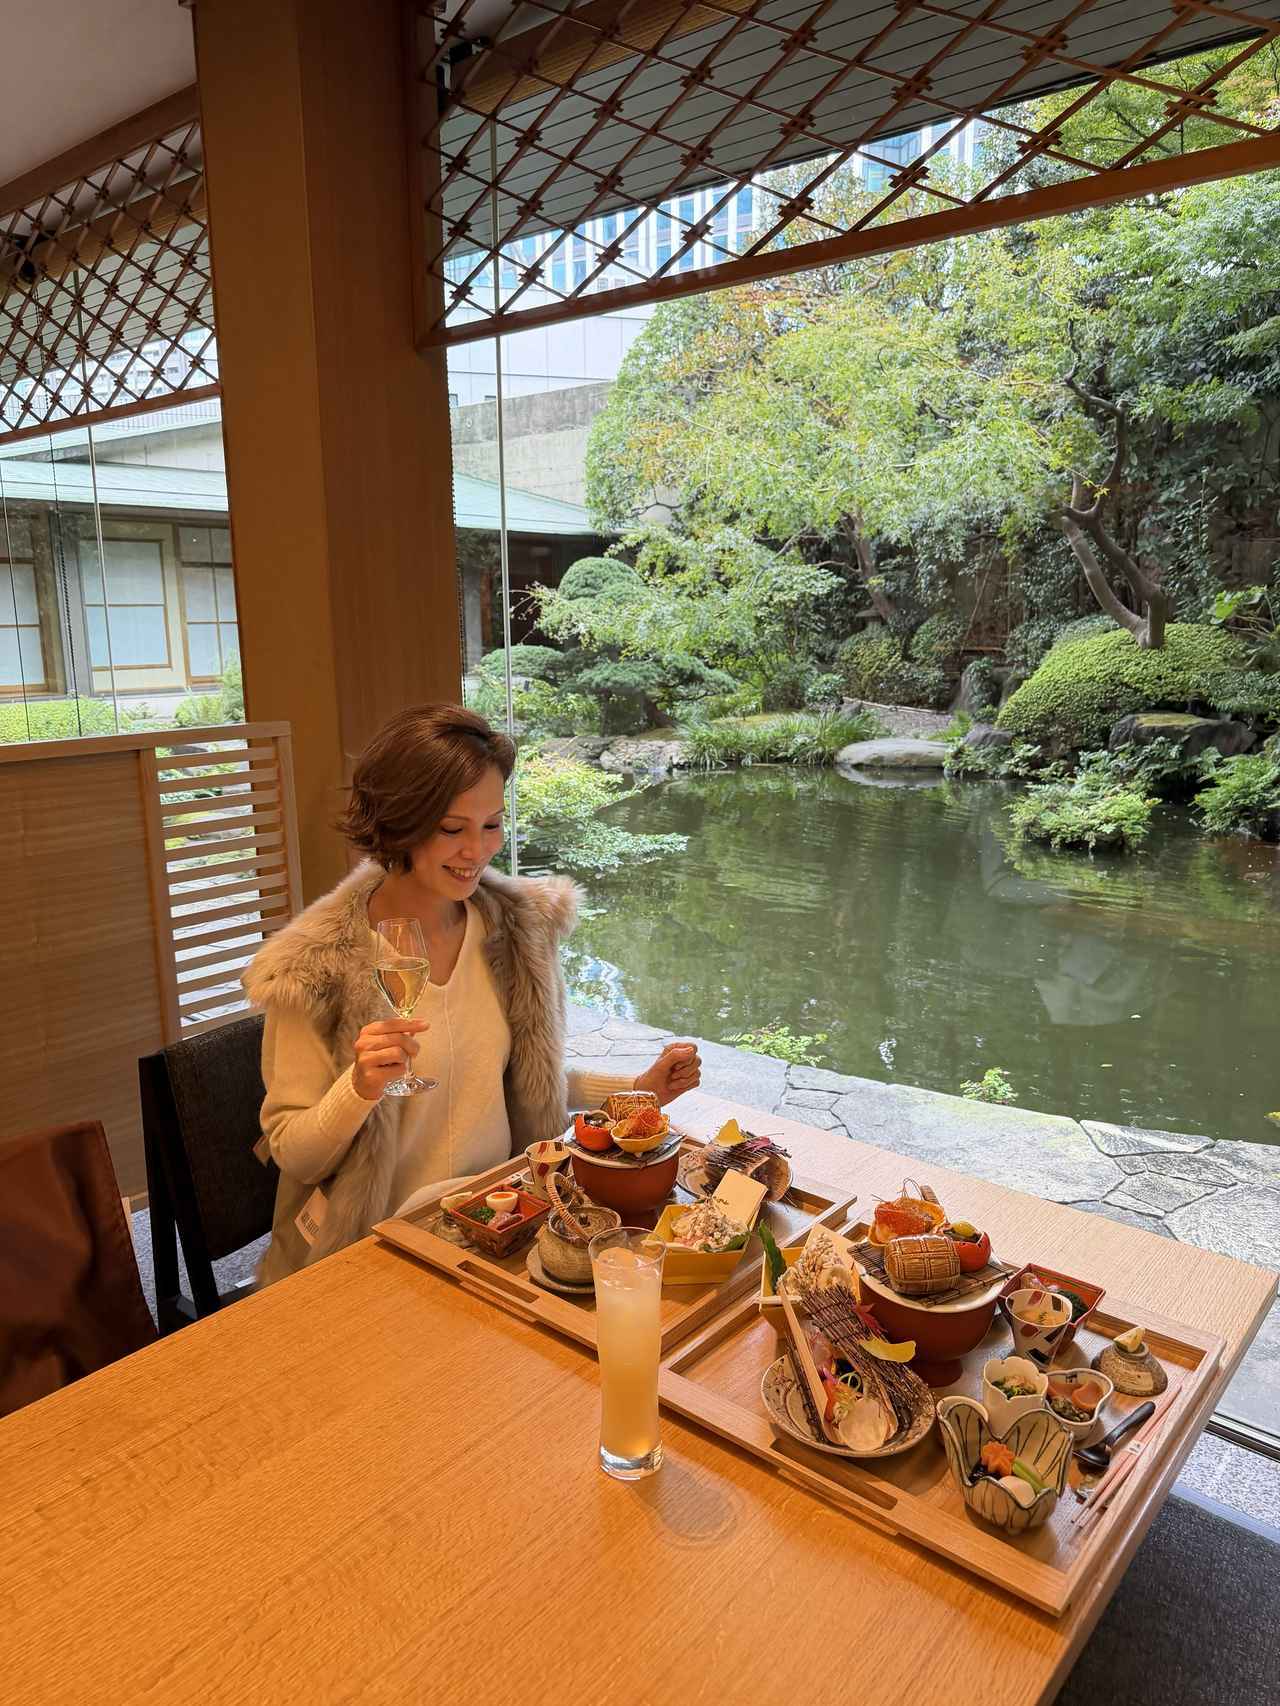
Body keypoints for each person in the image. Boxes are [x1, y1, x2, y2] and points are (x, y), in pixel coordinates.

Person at [245, 703, 700, 1285]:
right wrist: (358, 1089)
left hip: (502, 1232)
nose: (477, 851)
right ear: (399, 823)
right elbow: (293, 1153)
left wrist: (637, 1091)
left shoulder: (517, 930)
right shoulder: (312, 967)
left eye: (491, 825)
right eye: (452, 829)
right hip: (373, 1252)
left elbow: (518, 1079)